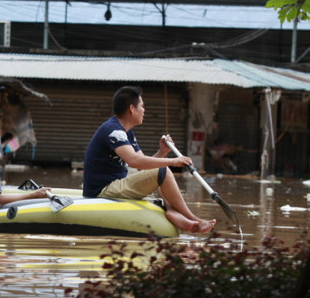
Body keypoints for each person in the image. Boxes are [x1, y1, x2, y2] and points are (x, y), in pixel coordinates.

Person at [83, 86, 215, 234]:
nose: (144, 110)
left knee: (158, 172)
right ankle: (194, 219)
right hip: (102, 191)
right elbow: (134, 161)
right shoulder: (114, 131)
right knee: (163, 171)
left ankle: (171, 210)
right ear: (132, 109)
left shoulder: (127, 133)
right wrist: (173, 161)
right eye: (142, 106)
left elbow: (143, 166)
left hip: (114, 184)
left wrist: (163, 152)